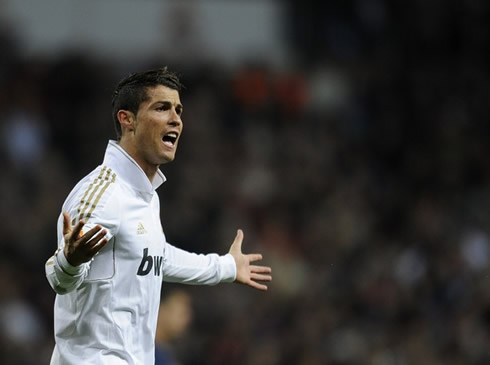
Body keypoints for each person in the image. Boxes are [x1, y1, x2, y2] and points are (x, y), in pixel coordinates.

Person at [44, 67, 272, 365]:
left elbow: (157, 256)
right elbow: (58, 276)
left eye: (178, 110)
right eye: (161, 108)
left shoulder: (143, 196)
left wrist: (226, 266)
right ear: (127, 120)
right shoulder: (104, 193)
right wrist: (71, 261)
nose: (176, 118)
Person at [154, 290, 193, 365]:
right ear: (161, 309)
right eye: (182, 313)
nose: (188, 319)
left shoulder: (166, 353)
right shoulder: (143, 352)